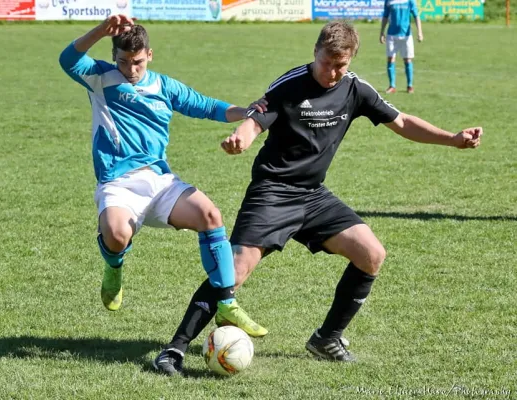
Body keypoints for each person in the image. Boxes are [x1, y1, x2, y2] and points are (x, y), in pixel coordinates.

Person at [154, 20, 482, 375]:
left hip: (312, 196)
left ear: (351, 59)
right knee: (231, 273)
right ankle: (174, 349)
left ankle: (327, 338)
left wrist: (452, 138)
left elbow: (400, 121)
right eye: (327, 63)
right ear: (315, 52)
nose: (332, 72)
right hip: (272, 193)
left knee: (371, 254)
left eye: (341, 65)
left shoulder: (355, 89)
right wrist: (242, 138)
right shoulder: (290, 85)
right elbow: (256, 118)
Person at [58, 14, 268, 358]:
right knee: (116, 234)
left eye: (137, 62)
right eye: (123, 61)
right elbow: (67, 59)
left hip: (159, 181)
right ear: (115, 57)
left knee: (210, 214)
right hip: (118, 183)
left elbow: (207, 107)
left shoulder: (164, 86)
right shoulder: (99, 78)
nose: (130, 69)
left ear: (150, 55)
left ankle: (227, 301)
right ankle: (114, 268)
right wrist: (102, 30)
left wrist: (249, 113)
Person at [380, 0, 423, 94]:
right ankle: (392, 86)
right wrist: (382, 32)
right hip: (391, 35)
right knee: (390, 59)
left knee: (407, 60)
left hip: (406, 35)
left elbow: (416, 15)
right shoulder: (389, 1)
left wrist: (419, 32)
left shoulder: (409, 1)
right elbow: (385, 16)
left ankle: (410, 86)